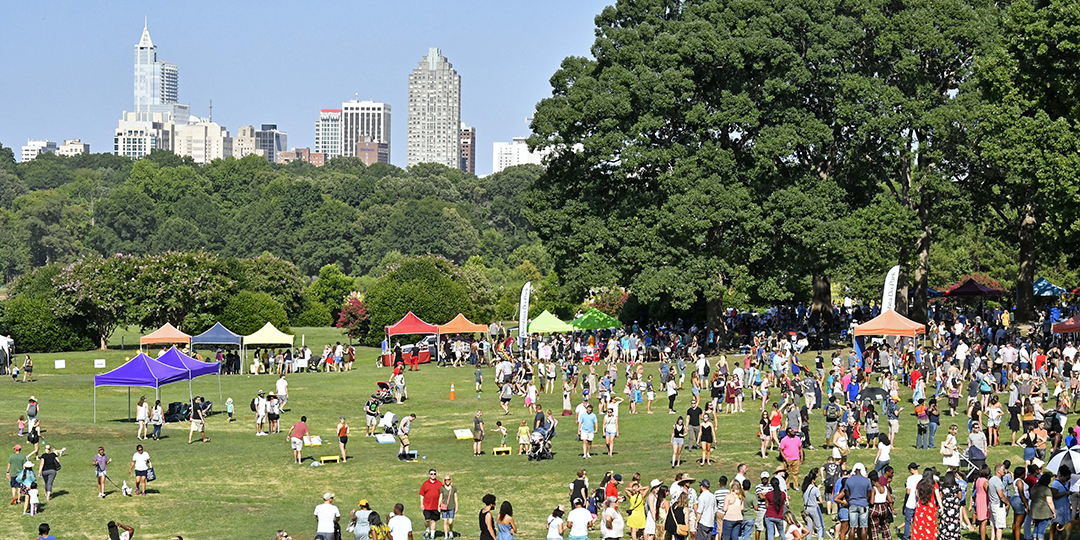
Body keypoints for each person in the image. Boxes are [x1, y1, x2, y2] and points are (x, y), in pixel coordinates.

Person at [846, 463, 872, 540]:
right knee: (863, 527)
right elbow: (869, 494)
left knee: (852, 527)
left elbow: (847, 494)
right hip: (863, 504)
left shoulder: (848, 480)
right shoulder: (867, 481)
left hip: (853, 504)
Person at [911, 472, 939, 540]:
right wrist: (941, 506)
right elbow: (938, 496)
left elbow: (917, 495)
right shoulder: (934, 484)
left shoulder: (919, 484)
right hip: (930, 507)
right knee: (930, 525)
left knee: (919, 524)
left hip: (921, 506)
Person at [1029, 473, 1055, 540]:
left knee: (1036, 527)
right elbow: (1050, 502)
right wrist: (1054, 512)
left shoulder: (1034, 487)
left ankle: (1034, 538)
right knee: (1041, 529)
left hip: (1034, 510)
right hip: (1044, 512)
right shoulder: (1046, 490)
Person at [938, 471, 962, 540]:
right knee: (954, 523)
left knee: (945, 523)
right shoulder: (957, 487)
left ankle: (944, 536)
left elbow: (940, 496)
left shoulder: (942, 487)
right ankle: (954, 536)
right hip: (954, 510)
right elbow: (960, 497)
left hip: (946, 509)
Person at [420, 469, 442, 539]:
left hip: (436, 506)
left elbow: (442, 495)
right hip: (427, 506)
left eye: (434, 474)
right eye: (431, 474)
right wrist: (421, 504)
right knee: (427, 520)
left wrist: (440, 505)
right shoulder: (425, 484)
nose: (433, 475)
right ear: (429, 475)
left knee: (434, 521)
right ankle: (427, 530)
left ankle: (432, 534)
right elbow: (421, 494)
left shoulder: (439, 483)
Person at [439, 474, 459, 539]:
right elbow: (440, 497)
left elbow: (455, 497)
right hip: (444, 507)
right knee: (445, 522)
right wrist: (438, 506)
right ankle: (446, 535)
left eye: (448, 479)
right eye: (446, 480)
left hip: (451, 507)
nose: (447, 481)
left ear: (450, 480)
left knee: (450, 522)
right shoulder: (442, 488)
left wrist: (457, 506)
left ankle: (450, 531)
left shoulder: (453, 488)